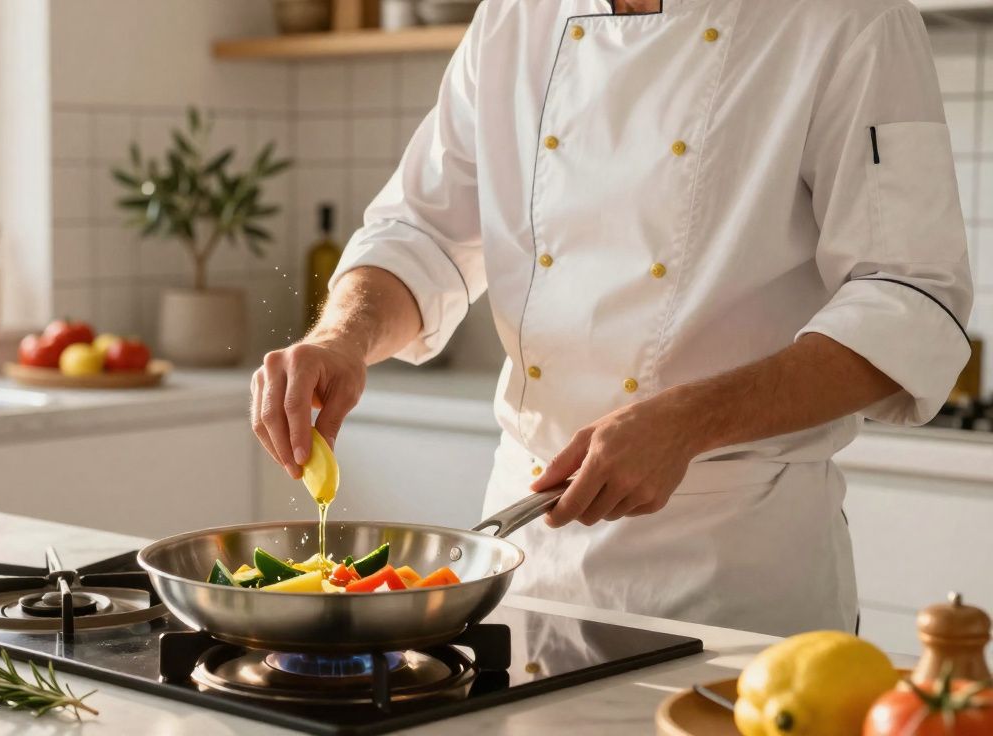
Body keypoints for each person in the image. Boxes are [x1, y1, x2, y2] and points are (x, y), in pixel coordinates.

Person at [249, 0, 972, 636]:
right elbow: (423, 235)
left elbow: (908, 299)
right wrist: (341, 338)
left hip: (731, 584)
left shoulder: (851, 19)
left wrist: (690, 419)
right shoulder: (514, 17)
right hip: (524, 566)